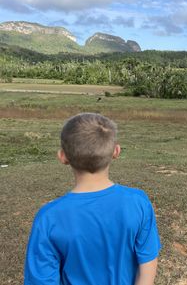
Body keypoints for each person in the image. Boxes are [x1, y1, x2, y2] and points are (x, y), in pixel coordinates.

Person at [24, 113, 161, 285]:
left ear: (63, 156)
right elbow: (147, 261)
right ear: (116, 152)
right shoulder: (138, 202)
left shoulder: (48, 218)